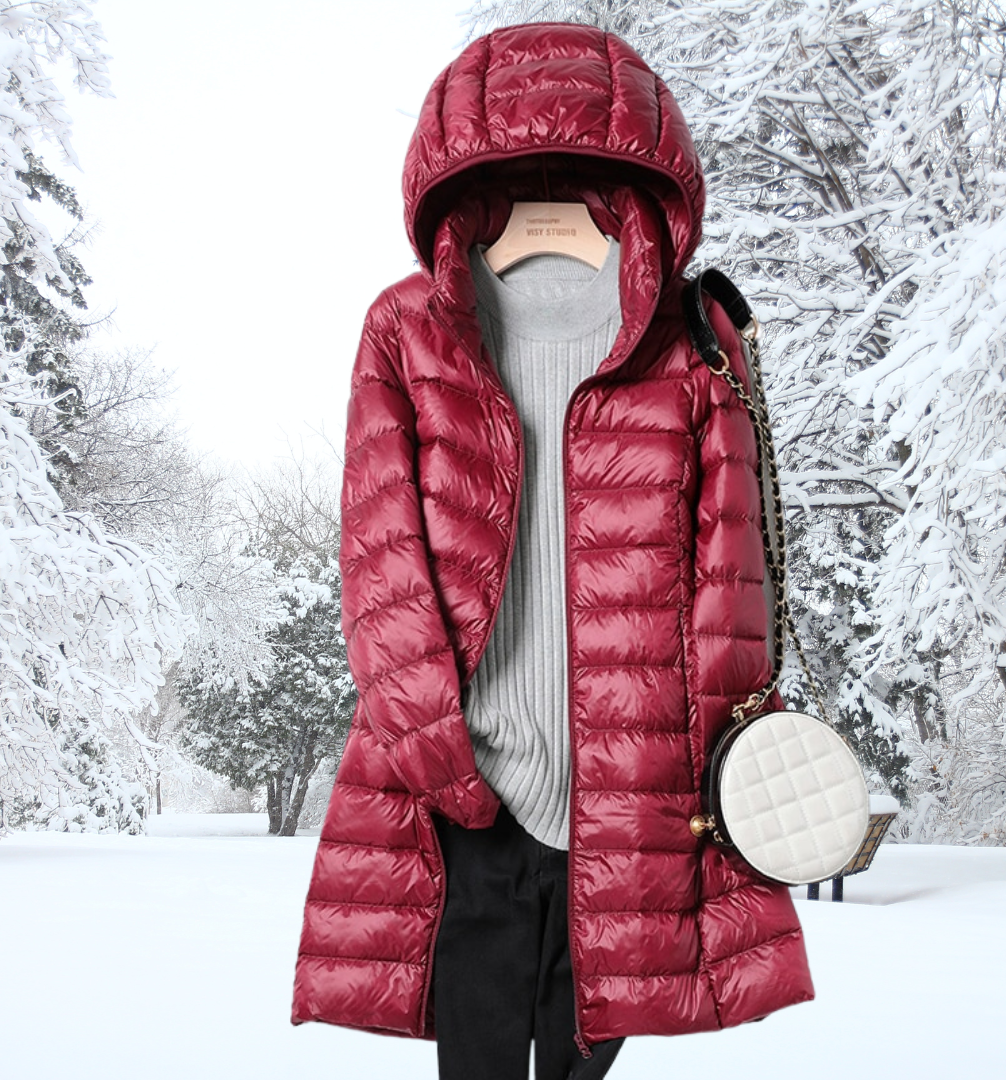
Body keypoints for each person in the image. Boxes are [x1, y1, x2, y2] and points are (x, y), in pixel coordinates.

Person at [291, 21, 815, 1080]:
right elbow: (379, 560)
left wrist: (704, 776)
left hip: (633, 803)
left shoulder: (695, 342)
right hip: (461, 798)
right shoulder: (407, 333)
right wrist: (439, 752)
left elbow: (733, 589)